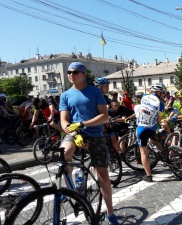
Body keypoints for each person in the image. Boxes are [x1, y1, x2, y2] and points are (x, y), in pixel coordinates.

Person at [59, 62, 119, 224]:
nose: (71, 74)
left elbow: (104, 116)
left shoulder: (94, 92)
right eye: (69, 72)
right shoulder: (65, 95)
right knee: (63, 154)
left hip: (94, 134)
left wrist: (83, 124)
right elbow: (64, 121)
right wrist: (72, 131)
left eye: (75, 72)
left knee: (102, 174)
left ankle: (110, 212)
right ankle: (70, 190)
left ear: (84, 74)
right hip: (75, 134)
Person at [135, 83, 166, 182]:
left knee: (143, 153)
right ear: (158, 92)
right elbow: (158, 120)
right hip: (152, 128)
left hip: (141, 128)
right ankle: (165, 157)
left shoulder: (144, 97)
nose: (164, 95)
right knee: (156, 141)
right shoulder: (161, 104)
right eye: (163, 93)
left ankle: (149, 176)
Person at [94, 78, 124, 156]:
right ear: (100, 87)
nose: (108, 88)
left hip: (103, 122)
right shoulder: (97, 97)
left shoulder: (103, 97)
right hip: (97, 123)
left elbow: (108, 106)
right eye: (106, 86)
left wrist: (107, 117)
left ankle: (119, 154)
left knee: (112, 137)